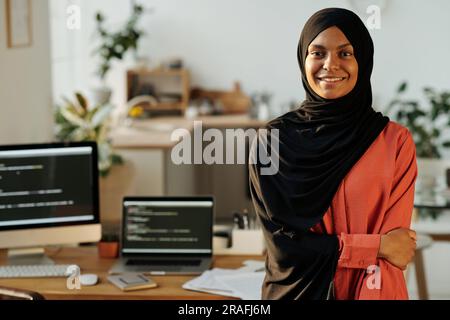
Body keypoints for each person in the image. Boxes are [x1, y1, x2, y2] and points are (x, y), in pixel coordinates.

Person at [249, 8, 418, 300]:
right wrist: (374, 246)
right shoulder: (273, 142)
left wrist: (373, 250)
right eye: (318, 53)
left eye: (345, 53)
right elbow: (285, 247)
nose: (330, 65)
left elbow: (396, 253)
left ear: (363, 61)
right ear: (303, 60)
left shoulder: (395, 142)